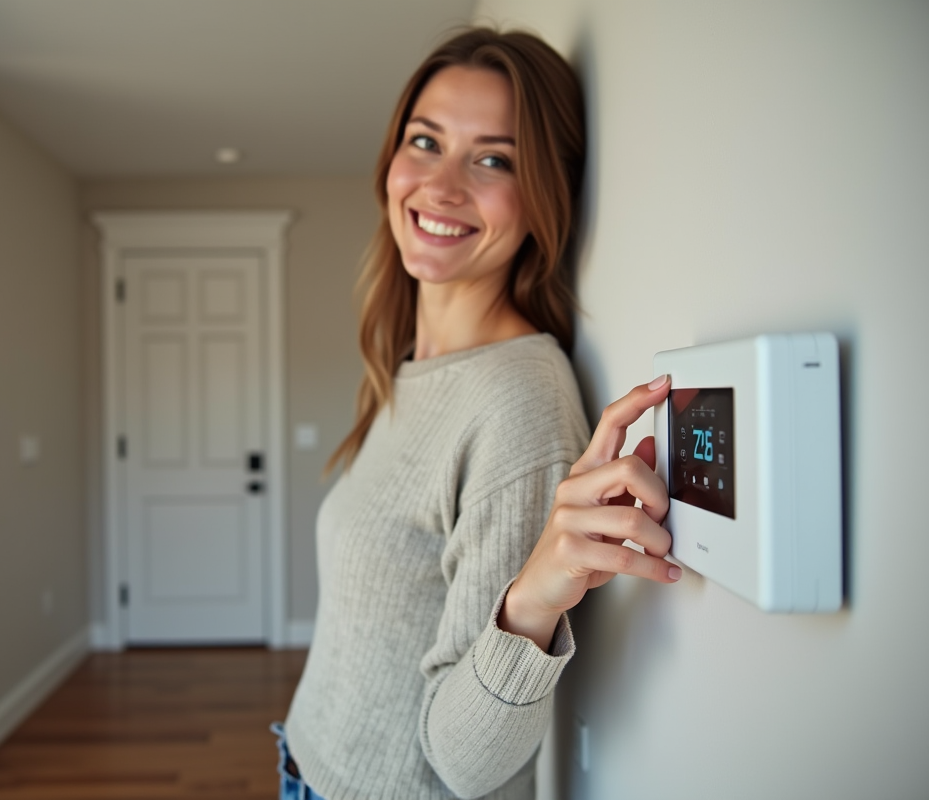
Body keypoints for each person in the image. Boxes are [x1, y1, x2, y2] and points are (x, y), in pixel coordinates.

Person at [274, 27, 681, 800]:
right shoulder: (412, 366)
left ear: (546, 197)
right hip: (311, 765)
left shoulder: (517, 400)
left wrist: (532, 599)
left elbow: (468, 767)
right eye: (425, 141)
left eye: (493, 159)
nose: (442, 184)